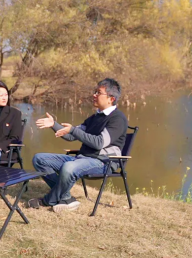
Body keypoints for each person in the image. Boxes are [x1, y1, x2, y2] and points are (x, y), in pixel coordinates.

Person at [29, 78, 128, 213]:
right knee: (39, 159)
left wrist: (73, 130)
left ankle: (48, 200)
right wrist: (54, 124)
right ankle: (66, 197)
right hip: (82, 158)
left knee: (69, 167)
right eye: (95, 92)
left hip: (104, 162)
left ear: (111, 98)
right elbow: (70, 135)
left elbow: (99, 143)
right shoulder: (95, 117)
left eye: (98, 93)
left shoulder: (118, 119)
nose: (94, 95)